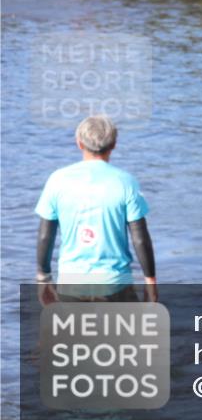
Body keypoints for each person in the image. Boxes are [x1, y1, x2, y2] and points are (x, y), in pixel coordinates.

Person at [35, 115, 157, 304]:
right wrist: (150, 281)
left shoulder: (57, 180)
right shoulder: (126, 182)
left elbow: (45, 236)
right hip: (116, 285)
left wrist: (43, 277)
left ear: (79, 143)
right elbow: (140, 238)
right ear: (114, 144)